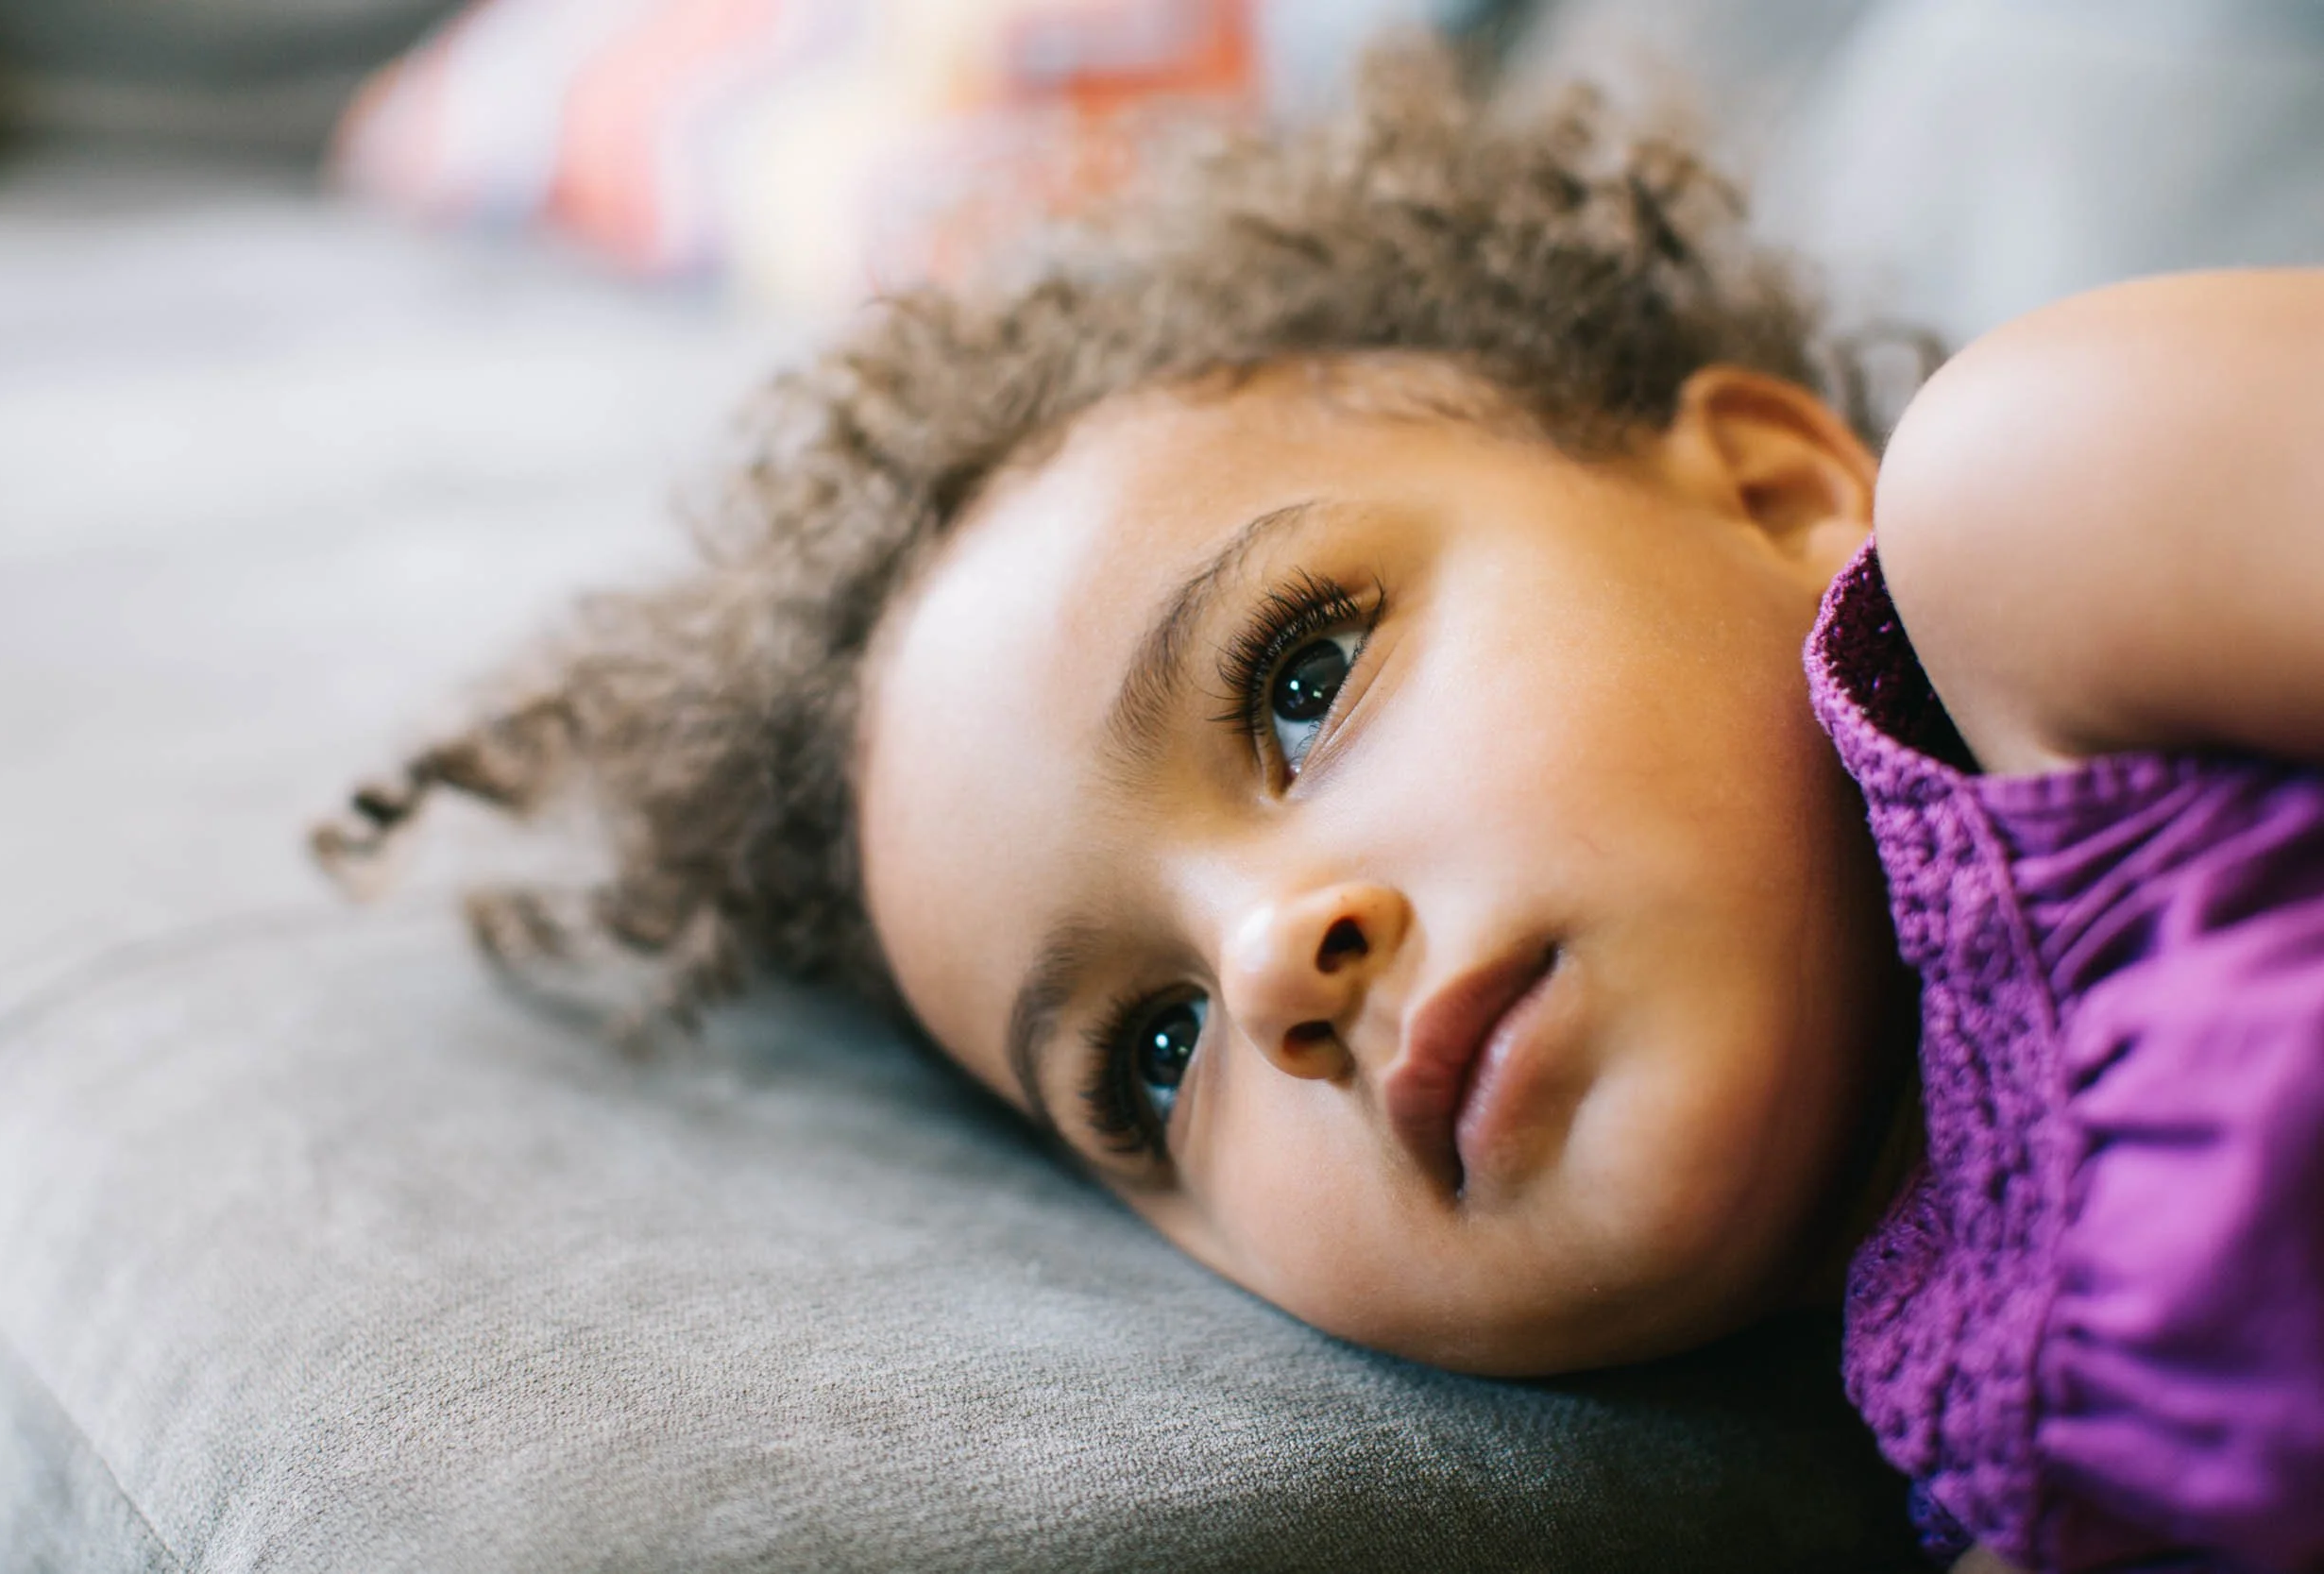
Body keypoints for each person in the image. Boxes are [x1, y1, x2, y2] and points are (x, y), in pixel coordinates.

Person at [314, 44, 2324, 1573]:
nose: (1274, 962)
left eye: (1297, 677)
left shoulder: (2045, 516)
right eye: (1149, 1048)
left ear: (1776, 494)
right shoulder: (1971, 1433)